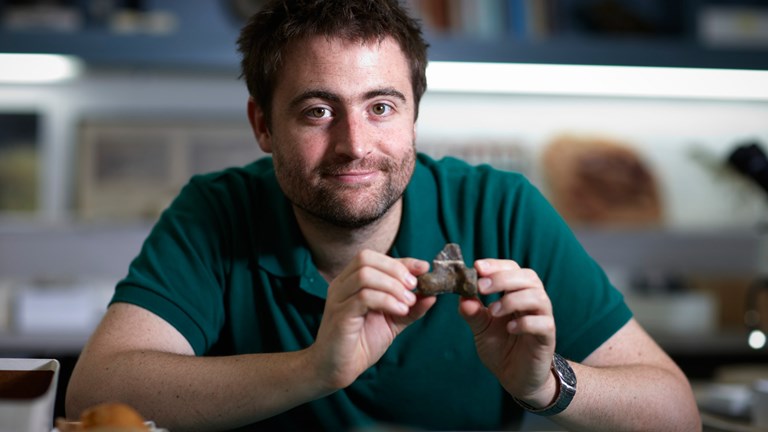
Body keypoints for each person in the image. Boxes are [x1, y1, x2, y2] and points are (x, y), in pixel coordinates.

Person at [66, 0, 701, 430]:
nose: (354, 145)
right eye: (318, 110)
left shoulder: (499, 208)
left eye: (380, 107)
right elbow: (97, 390)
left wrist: (548, 386)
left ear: (414, 115)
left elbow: (676, 412)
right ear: (263, 125)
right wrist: (313, 369)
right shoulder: (218, 210)